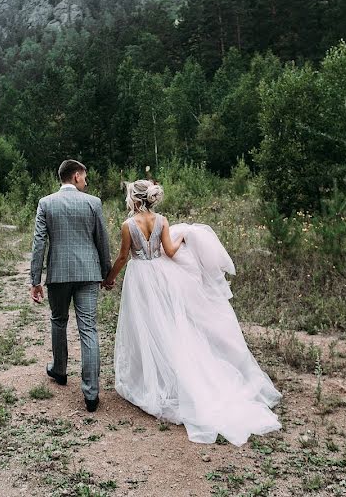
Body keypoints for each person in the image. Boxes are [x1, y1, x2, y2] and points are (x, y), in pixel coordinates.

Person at [103, 179, 281, 445]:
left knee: (145, 326)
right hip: (161, 277)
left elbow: (122, 257)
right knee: (167, 326)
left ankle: (150, 380)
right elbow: (171, 252)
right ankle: (169, 377)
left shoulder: (128, 225)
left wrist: (109, 278)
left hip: (140, 278)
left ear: (135, 199)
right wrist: (185, 234)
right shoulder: (162, 220)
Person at [30, 159, 112, 412]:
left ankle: (60, 370)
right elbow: (102, 241)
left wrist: (35, 280)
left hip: (58, 274)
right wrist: (106, 273)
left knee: (58, 320)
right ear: (76, 176)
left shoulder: (46, 203)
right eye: (85, 177)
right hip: (88, 272)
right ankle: (91, 393)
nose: (86, 182)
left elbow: (39, 244)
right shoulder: (93, 203)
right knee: (88, 328)